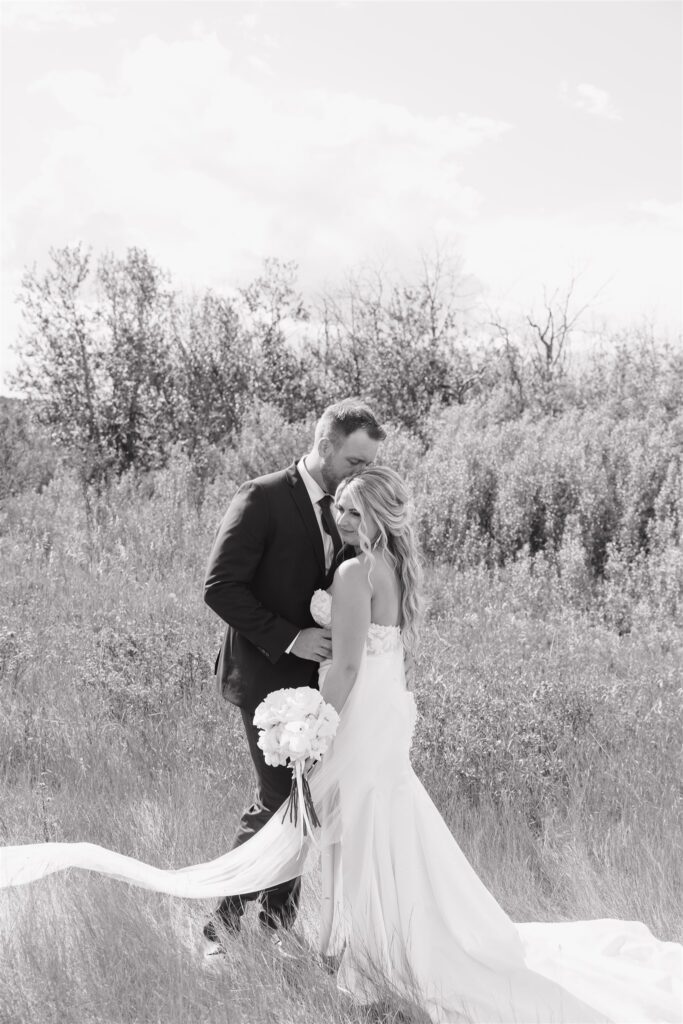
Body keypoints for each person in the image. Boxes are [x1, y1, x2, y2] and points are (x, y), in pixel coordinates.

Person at [0, 467, 681, 1022]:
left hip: (356, 709)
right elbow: (376, 659)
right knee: (371, 820)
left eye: (353, 513)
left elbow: (349, 665)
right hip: (386, 707)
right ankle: (351, 941)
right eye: (341, 512)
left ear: (378, 516)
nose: (340, 523)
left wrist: (311, 721)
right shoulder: (394, 569)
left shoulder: (357, 573)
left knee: (339, 821)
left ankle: (348, 950)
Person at [201, 398, 385, 948]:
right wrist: (291, 636)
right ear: (325, 446)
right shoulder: (261, 497)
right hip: (264, 674)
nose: (364, 474)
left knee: (306, 803)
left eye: (371, 463)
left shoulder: (353, 505)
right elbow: (221, 587)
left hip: (321, 683)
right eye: (356, 461)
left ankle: (278, 927)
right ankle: (223, 926)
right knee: (285, 801)